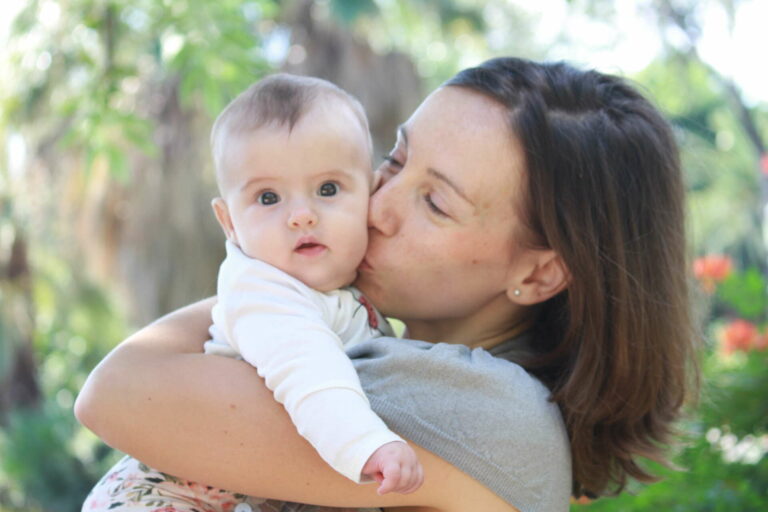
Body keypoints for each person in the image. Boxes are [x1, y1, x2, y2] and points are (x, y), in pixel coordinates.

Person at [76, 57, 698, 512]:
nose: (376, 206)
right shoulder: (385, 349)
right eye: (395, 161)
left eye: (434, 202)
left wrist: (269, 264)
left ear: (537, 272)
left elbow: (115, 393)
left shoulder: (484, 410)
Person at [81, 74, 424, 511]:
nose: (301, 215)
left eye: (328, 189)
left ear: (371, 195)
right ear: (229, 223)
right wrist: (368, 446)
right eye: (267, 198)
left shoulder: (342, 291)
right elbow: (309, 373)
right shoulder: (264, 291)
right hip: (172, 495)